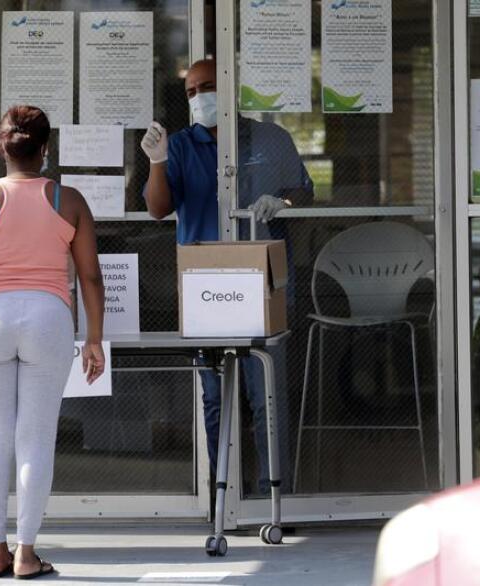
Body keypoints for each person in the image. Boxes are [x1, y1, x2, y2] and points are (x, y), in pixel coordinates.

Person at [142, 59, 314, 496]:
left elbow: (303, 190)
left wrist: (283, 202)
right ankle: (223, 496)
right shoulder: (181, 145)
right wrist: (157, 162)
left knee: (266, 398)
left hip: (262, 284)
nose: (201, 96)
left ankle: (273, 494)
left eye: (209, 86)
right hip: (207, 286)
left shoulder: (270, 138)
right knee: (216, 399)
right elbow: (158, 208)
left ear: (231, 90)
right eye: (192, 90)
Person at [0, 105, 105, 580]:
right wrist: (94, 339)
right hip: (48, 317)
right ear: (45, 149)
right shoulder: (70, 200)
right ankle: (26, 554)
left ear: (2, 147)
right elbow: (91, 277)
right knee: (35, 439)